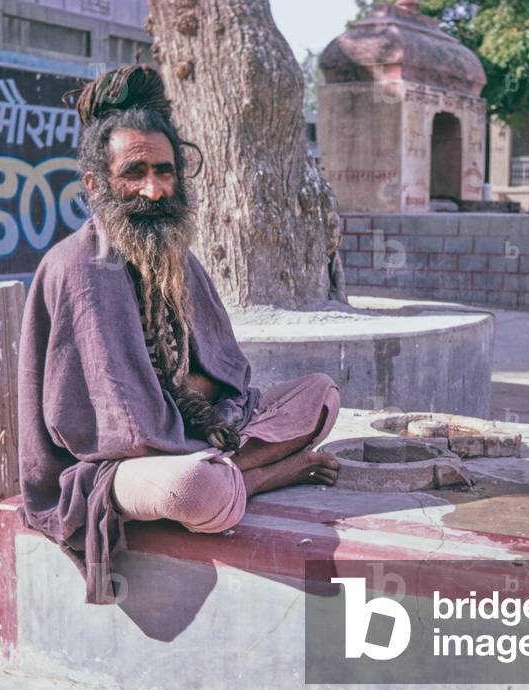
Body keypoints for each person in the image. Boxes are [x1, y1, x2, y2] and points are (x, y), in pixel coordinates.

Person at [17, 65, 340, 604]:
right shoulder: (80, 265)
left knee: (320, 395)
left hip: (195, 437)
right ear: (97, 184)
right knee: (193, 488)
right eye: (134, 172)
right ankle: (263, 477)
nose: (154, 188)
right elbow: (122, 427)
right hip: (110, 467)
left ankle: (236, 471)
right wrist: (192, 409)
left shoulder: (176, 255)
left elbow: (228, 371)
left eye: (165, 171)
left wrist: (199, 404)